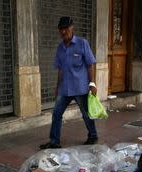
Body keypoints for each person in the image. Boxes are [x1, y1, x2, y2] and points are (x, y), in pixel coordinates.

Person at [40, 16, 98, 149]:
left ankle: (93, 135)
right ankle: (54, 142)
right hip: (64, 88)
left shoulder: (82, 43)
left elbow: (90, 65)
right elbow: (60, 69)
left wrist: (92, 84)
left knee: (86, 113)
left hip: (80, 88)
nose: (63, 32)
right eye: (61, 29)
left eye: (66, 29)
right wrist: (57, 86)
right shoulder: (60, 48)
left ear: (72, 28)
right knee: (56, 114)